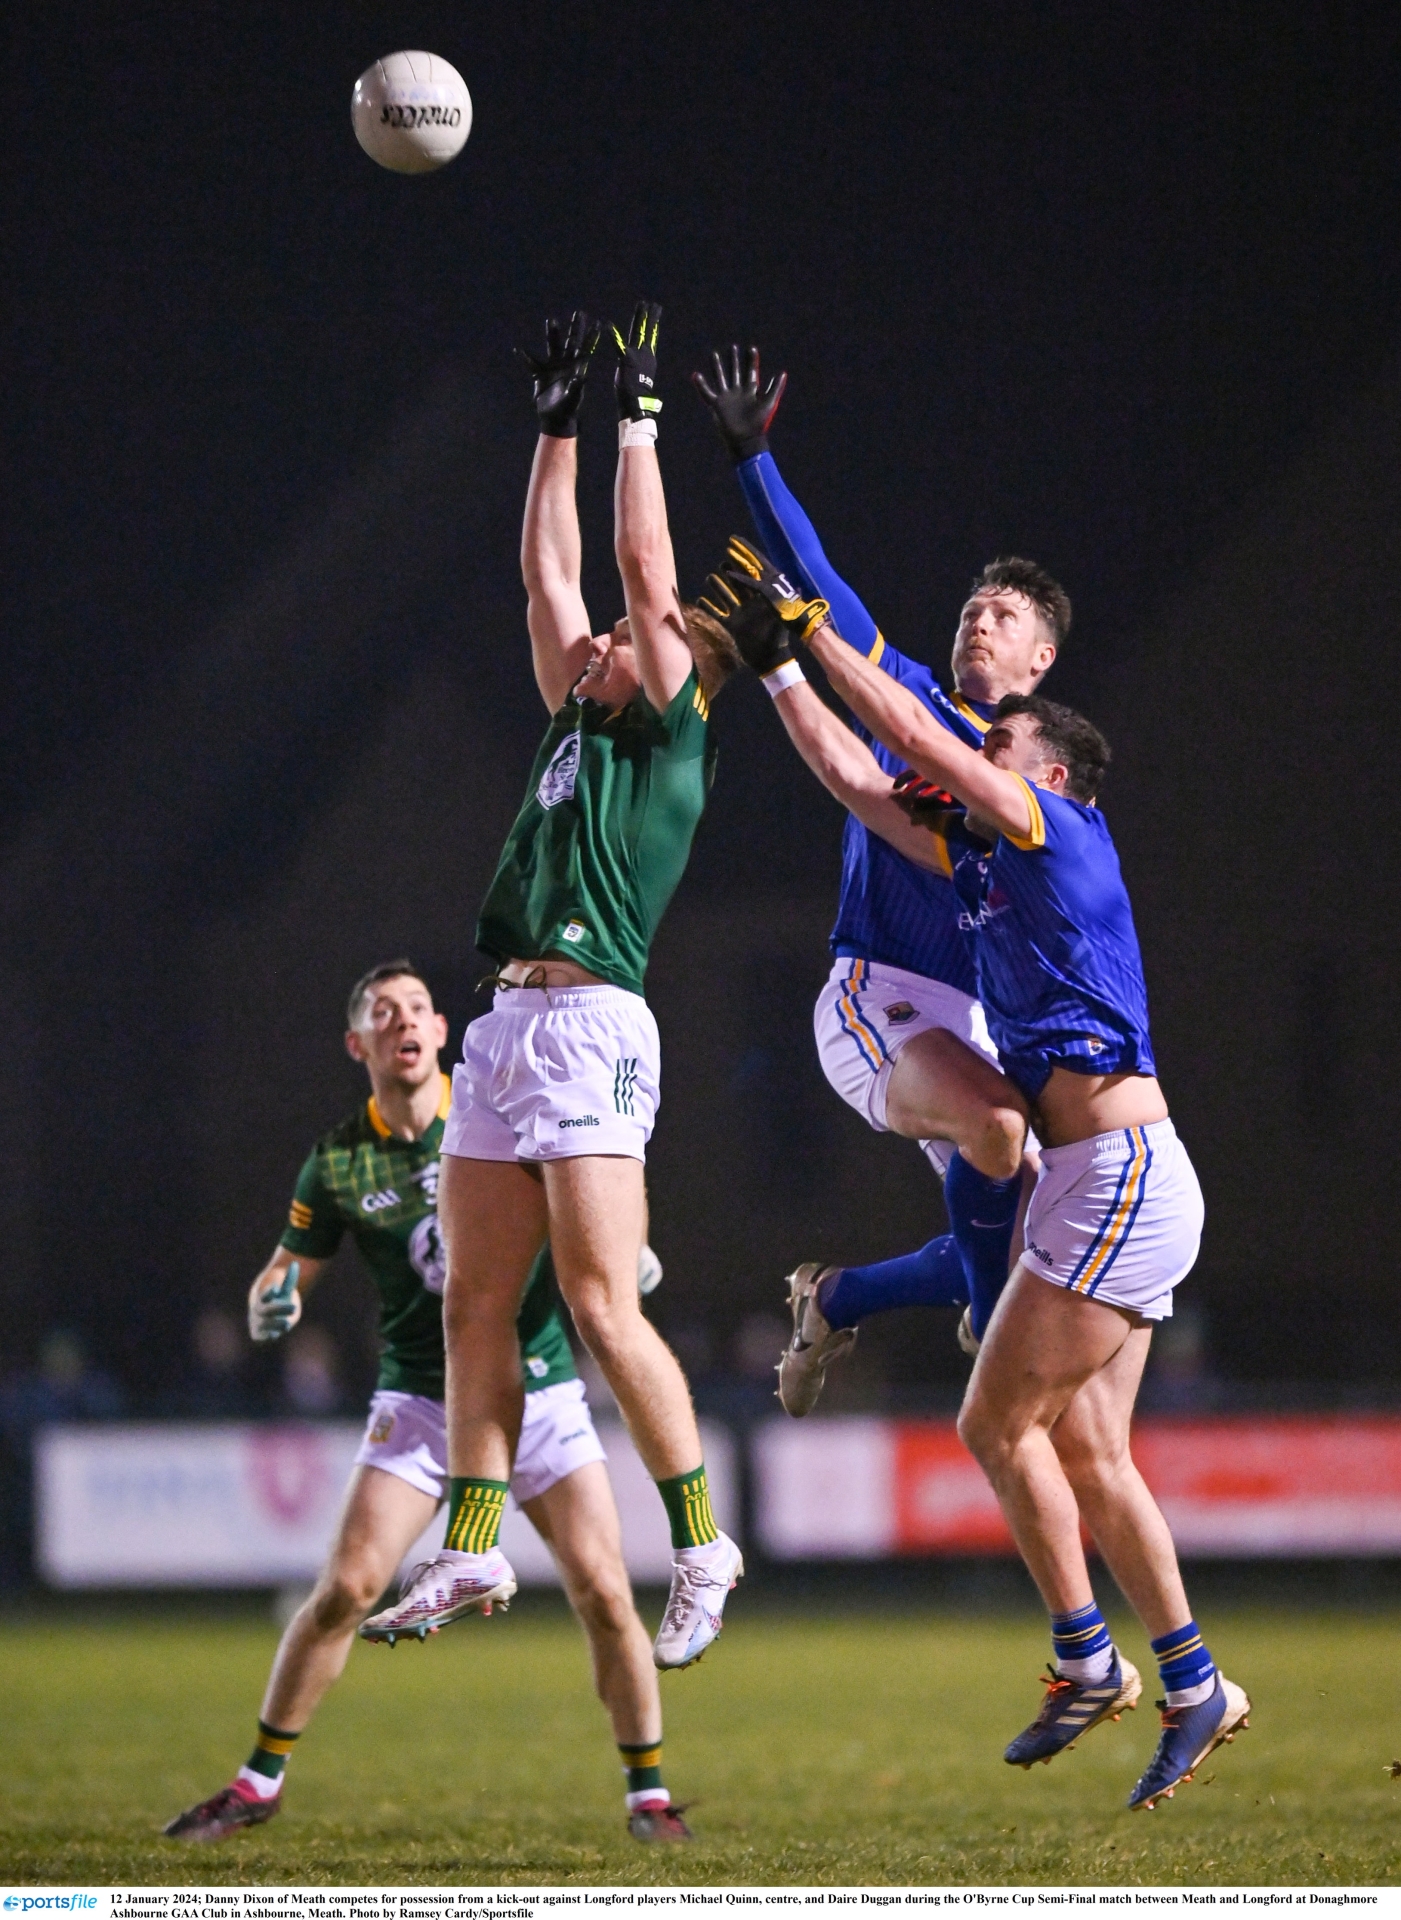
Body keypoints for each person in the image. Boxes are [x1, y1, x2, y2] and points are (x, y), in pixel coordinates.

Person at [711, 554, 1249, 1812]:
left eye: (998, 744)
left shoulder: (1057, 832)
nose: (975, 748)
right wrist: (782, 671)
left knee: (992, 1426)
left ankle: (1088, 1661)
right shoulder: (991, 867)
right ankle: (1195, 1685)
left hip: (1116, 1177)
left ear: (1046, 775)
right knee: (1092, 1452)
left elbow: (907, 733)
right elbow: (863, 780)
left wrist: (817, 635)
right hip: (1111, 1176)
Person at [362, 308, 744, 1672]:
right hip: (507, 1025)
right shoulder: (579, 719)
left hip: (592, 1026)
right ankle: (473, 1547)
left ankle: (699, 1543)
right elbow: (548, 574)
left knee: (597, 1303)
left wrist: (639, 419)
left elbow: (642, 568)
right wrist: (554, 427)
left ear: (676, 667)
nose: (595, 644)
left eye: (623, 641)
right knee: (474, 1303)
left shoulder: (671, 736)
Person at [164, 962, 692, 1845]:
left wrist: (623, 1245)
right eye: (383, 1012)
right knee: (347, 1587)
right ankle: (256, 1783)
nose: (403, 1020)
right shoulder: (340, 1158)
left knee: (605, 1590)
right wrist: (271, 1296)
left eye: (416, 1007)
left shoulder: (499, 1111)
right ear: (357, 1044)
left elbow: (597, 1170)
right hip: (419, 1401)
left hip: (538, 1392)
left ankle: (649, 1797)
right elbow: (287, 1266)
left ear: (442, 1031)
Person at [693, 350, 1066, 1401]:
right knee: (999, 1146)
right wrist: (751, 456)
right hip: (880, 996)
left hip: (974, 1021)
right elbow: (811, 579)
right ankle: (987, 1337)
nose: (978, 620)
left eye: (1004, 615)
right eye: (972, 608)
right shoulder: (907, 696)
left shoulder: (1043, 774)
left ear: (1039, 661)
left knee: (1041, 1235)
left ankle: (839, 1298)